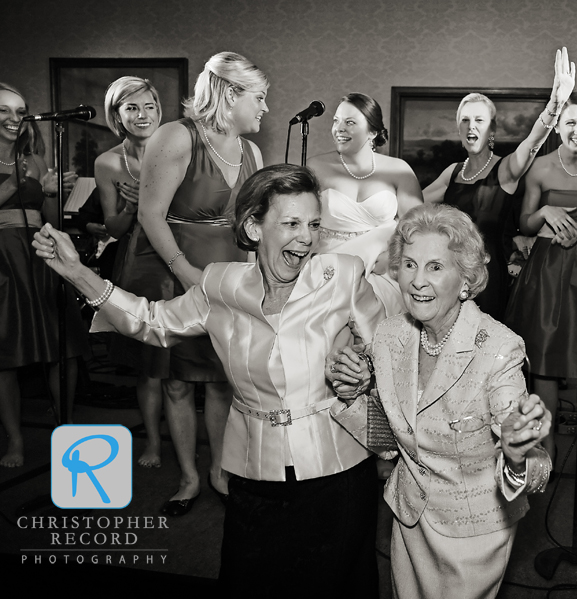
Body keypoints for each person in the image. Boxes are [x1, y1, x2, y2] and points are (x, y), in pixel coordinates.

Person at [34, 164, 385, 595]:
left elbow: (387, 351)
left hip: (337, 472)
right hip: (253, 472)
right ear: (254, 228)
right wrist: (78, 273)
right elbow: (150, 321)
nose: (307, 237)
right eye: (291, 223)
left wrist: (363, 370)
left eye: (314, 224)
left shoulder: (342, 276)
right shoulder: (220, 285)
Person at [328, 202, 551, 598]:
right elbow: (391, 443)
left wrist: (518, 455)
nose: (417, 280)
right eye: (410, 265)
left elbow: (535, 470)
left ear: (465, 279)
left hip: (473, 533)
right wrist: (355, 392)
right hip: (409, 520)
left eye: (435, 267)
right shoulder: (390, 337)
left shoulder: (498, 348)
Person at [137, 51, 266, 514]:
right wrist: (186, 273)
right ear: (231, 94)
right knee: (176, 382)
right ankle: (188, 477)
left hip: (231, 275)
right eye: (259, 97)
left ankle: (219, 470)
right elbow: (149, 214)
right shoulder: (176, 136)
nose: (264, 108)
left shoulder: (252, 151)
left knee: (221, 380)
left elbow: (255, 221)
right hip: (179, 272)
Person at [505, 90, 577, 486]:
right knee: (547, 363)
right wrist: (544, 213)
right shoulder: (538, 168)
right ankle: (548, 447)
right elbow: (523, 224)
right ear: (557, 126)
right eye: (569, 122)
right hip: (547, 272)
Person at [423, 48, 576, 320]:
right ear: (458, 129)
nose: (472, 127)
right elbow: (410, 207)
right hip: (448, 280)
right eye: (465, 121)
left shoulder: (505, 170)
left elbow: (532, 144)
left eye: (479, 121)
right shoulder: (452, 172)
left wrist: (555, 105)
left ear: (492, 129)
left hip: (488, 282)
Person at [0, 82, 86, 467]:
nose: (14, 118)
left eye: (20, 111)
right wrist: (29, 184)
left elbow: (49, 220)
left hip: (39, 253)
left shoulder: (33, 159)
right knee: (6, 355)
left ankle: (63, 425)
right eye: (4, 110)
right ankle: (15, 441)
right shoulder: (25, 171)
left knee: (60, 347)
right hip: (3, 259)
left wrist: (53, 195)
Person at [94, 76, 165, 468]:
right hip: (137, 260)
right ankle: (153, 442)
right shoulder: (107, 162)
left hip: (177, 254)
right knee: (147, 362)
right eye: (132, 108)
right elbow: (114, 229)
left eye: (150, 106)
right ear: (117, 115)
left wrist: (154, 202)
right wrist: (131, 208)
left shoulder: (177, 149)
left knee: (184, 362)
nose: (143, 115)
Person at [308, 92, 422, 316]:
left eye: (350, 122)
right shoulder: (315, 166)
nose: (339, 128)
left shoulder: (398, 170)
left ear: (373, 132)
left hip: (383, 269)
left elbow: (418, 227)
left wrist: (393, 258)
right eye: (336, 121)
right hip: (327, 268)